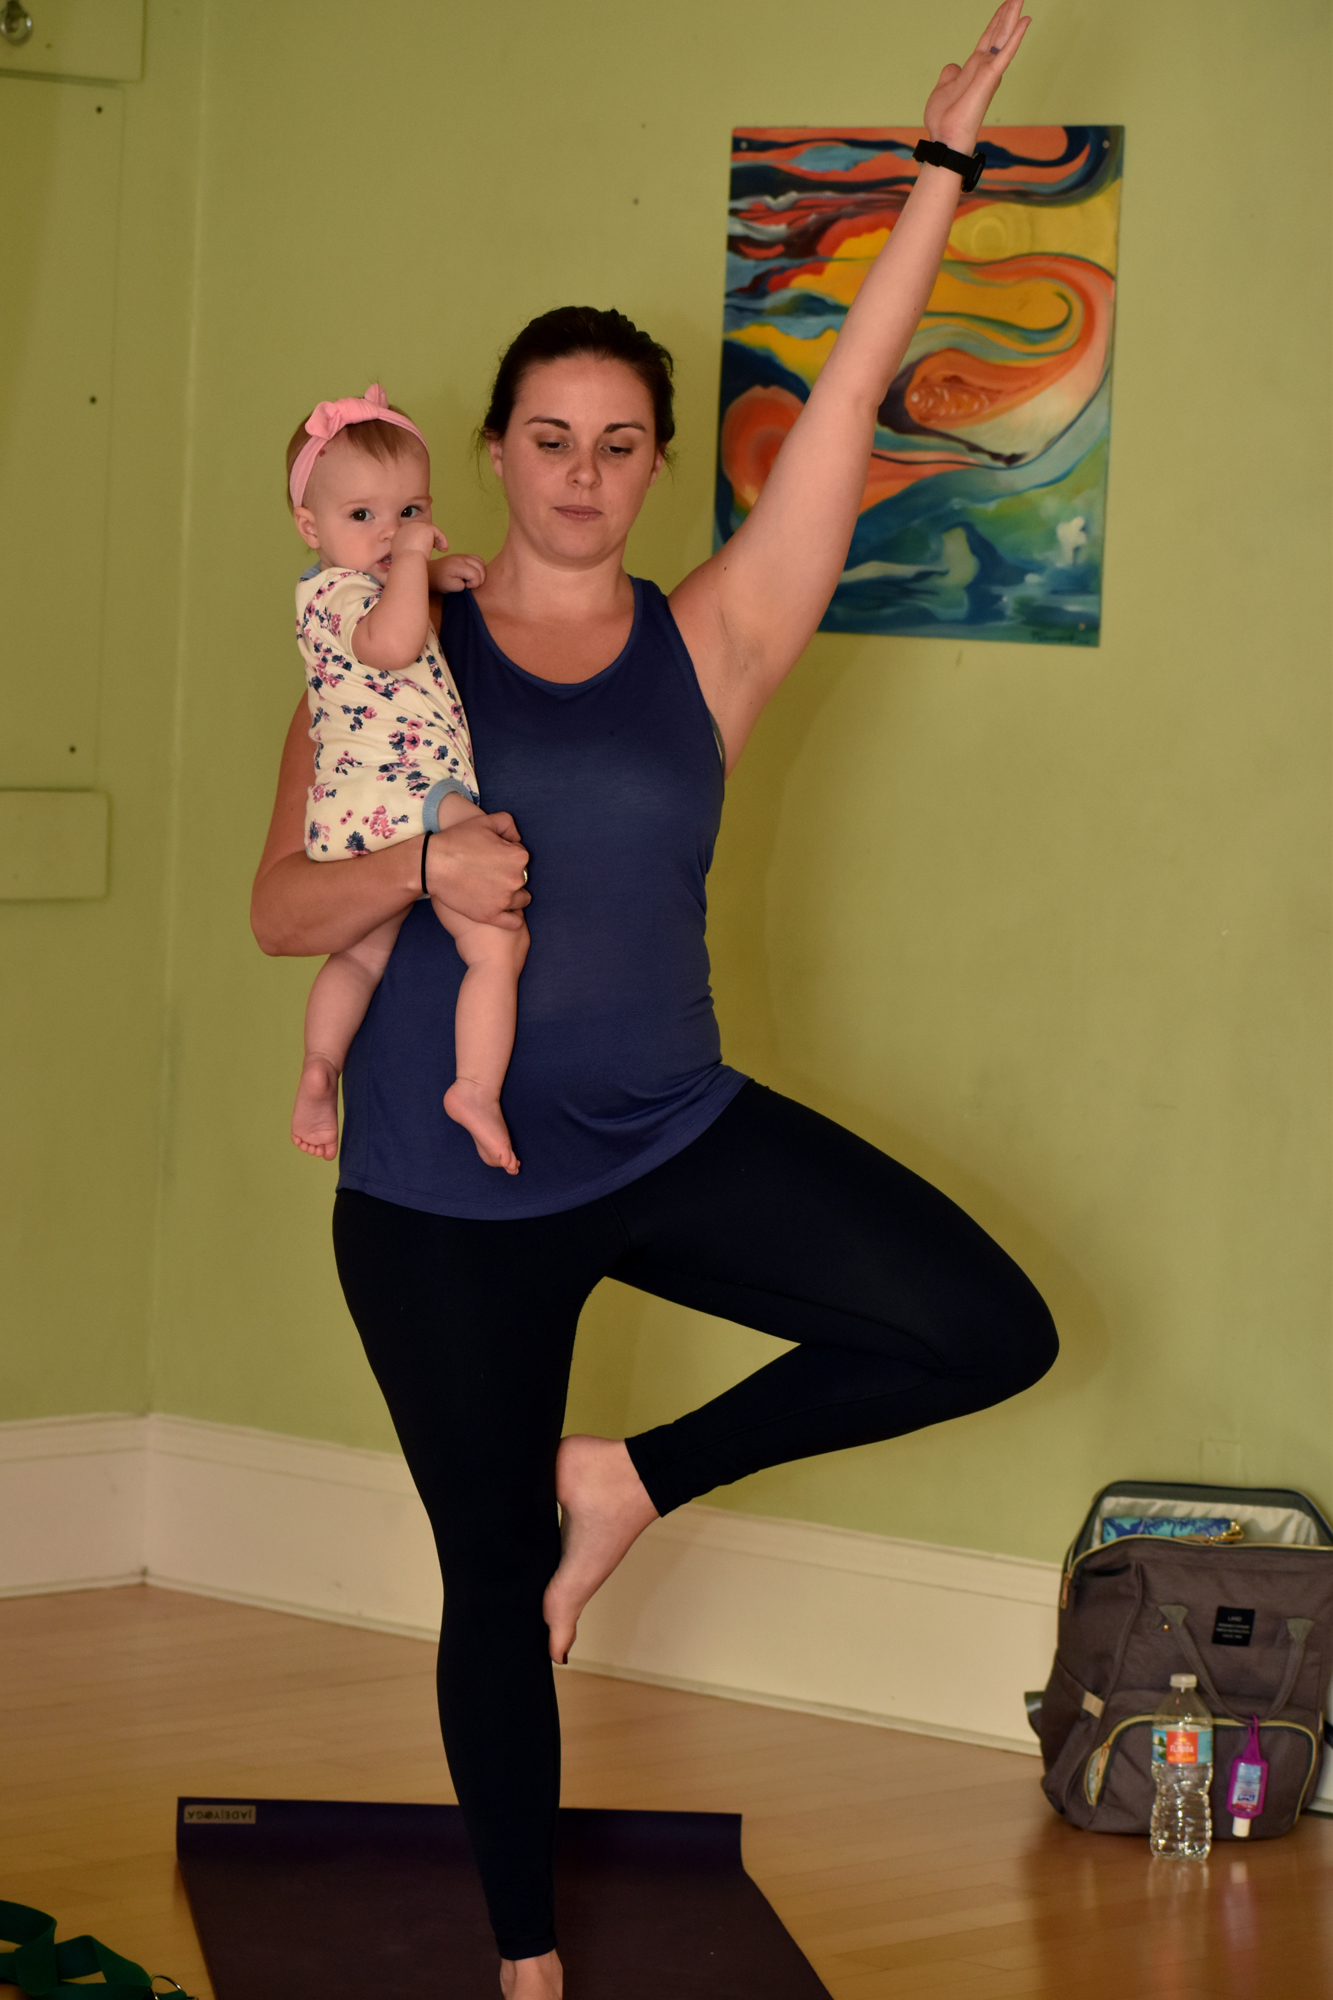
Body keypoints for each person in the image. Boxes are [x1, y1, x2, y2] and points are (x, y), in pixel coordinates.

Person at [252, 9, 1044, 1994]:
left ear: (659, 464)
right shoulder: (393, 651)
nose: (585, 472)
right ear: (495, 447)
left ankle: (632, 1479)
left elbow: (855, 403)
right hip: (442, 1191)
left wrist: (937, 169)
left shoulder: (718, 636)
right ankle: (528, 1969)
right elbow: (279, 905)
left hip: (666, 1131)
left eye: (621, 442)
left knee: (978, 1323)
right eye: (549, 436)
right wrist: (423, 868)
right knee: (486, 1587)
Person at [285, 387, 526, 1173]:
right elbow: (392, 644)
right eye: (362, 517)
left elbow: (397, 605)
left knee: (358, 956)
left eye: (409, 510)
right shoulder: (341, 596)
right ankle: (473, 1087)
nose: (390, 531)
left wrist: (428, 571)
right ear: (309, 528)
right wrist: (418, 565)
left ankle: (322, 1064)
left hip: (348, 809)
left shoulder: (343, 588)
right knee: (495, 936)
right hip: (407, 789)